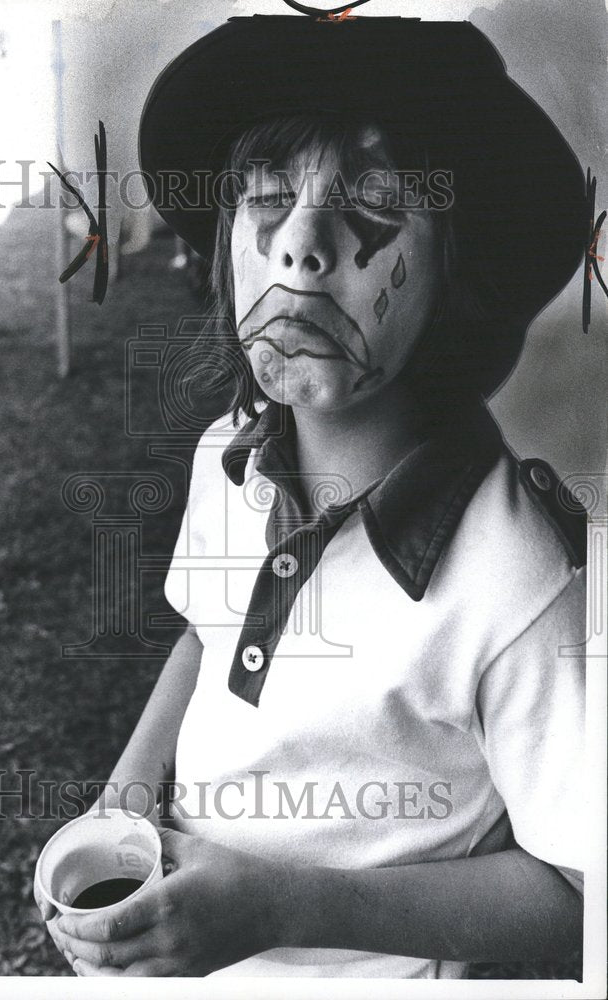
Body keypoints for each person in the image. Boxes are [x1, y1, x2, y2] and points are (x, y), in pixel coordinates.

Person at [35, 14, 590, 978]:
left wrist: (280, 904)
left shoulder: (524, 584)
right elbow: (208, 635)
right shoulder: (230, 458)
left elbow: (578, 901)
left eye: (375, 204)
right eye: (268, 197)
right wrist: (128, 790)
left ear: (457, 271)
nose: (299, 246)